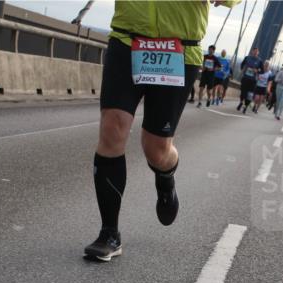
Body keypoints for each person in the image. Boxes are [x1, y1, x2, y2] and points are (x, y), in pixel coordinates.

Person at [85, 0, 239, 262]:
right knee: (113, 129)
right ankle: (109, 233)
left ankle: (166, 175)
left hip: (178, 49)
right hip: (127, 40)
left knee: (156, 149)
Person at [236, 47, 263, 113]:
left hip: (253, 80)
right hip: (245, 78)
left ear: (258, 53)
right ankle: (241, 102)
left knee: (250, 95)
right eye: (254, 51)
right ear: (252, 52)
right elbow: (242, 64)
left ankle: (245, 106)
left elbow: (262, 71)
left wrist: (257, 71)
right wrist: (242, 69)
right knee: (243, 92)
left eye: (257, 52)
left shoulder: (259, 61)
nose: (255, 53)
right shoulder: (247, 58)